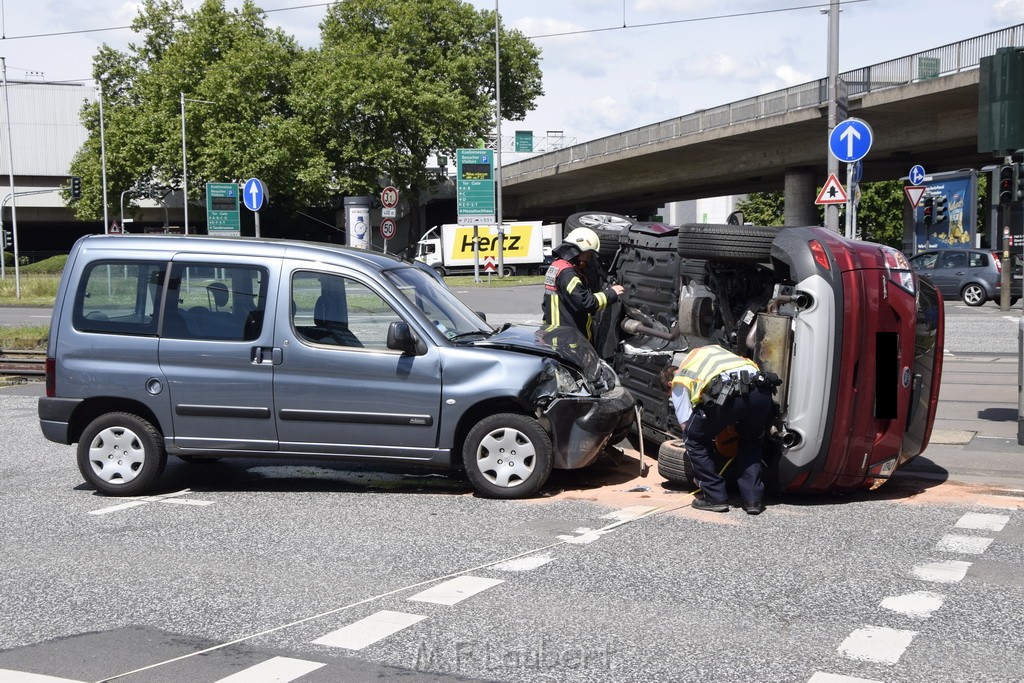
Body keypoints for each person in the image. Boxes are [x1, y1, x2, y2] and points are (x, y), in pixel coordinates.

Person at [666, 345, 776, 515]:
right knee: (751, 441)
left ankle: (714, 497)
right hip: (762, 392)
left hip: (729, 393)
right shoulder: (713, 354)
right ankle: (753, 500)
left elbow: (686, 425)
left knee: (693, 438)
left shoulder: (680, 378)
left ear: (668, 385)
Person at [541, 227, 624, 343]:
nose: (590, 258)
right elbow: (585, 303)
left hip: (555, 333)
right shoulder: (568, 274)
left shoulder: (557, 266)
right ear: (580, 249)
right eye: (589, 253)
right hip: (568, 339)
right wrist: (612, 293)